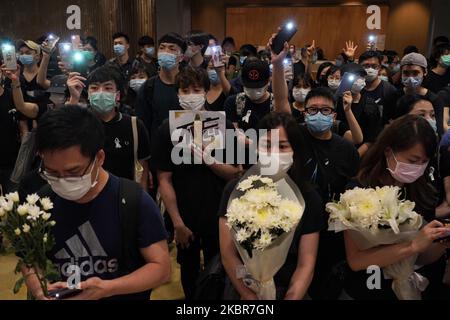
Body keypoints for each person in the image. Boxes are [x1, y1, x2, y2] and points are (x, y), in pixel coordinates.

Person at [22, 106, 170, 300]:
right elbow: (29, 258)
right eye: (52, 173)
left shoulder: (133, 200)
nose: (63, 180)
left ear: (99, 158)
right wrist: (36, 283)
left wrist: (108, 288)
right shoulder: (40, 203)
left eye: (74, 172)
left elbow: (161, 268)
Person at [153, 66, 242, 300]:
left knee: (220, 269)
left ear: (205, 91)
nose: (191, 94)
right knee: (189, 272)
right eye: (185, 90)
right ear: (178, 94)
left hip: (219, 214)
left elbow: (235, 174)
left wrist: (209, 159)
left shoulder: (223, 124)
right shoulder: (167, 127)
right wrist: (177, 223)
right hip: (185, 215)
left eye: (196, 89)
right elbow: (164, 179)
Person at [342, 115, 450, 300]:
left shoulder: (420, 191)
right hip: (370, 284)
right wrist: (413, 246)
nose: (418, 168)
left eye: (424, 162)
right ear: (388, 151)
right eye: (413, 160)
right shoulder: (358, 194)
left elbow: (420, 256)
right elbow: (356, 261)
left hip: (410, 284)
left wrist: (441, 242)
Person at [219, 112, 325, 300]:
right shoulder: (235, 190)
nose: (273, 152)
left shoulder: (309, 197)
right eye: (267, 145)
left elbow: (306, 264)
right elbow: (228, 254)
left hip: (289, 288)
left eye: (282, 146)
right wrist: (249, 296)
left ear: (295, 150)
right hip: (243, 288)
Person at [66, 65, 151, 190]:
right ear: (88, 95)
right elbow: (62, 138)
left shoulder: (134, 125)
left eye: (107, 88)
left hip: (123, 194)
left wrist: (141, 201)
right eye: (94, 88)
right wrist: (74, 98)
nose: (100, 92)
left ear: (117, 96)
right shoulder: (80, 123)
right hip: (85, 193)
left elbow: (142, 169)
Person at [136, 32, 186, 151]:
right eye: (162, 48)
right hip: (157, 154)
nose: (166, 52)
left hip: (186, 152)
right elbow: (142, 128)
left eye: (172, 48)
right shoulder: (148, 87)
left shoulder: (189, 86)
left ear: (181, 57)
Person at [336, 63, 383, 156]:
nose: (358, 80)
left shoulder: (370, 105)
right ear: (343, 80)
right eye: (354, 77)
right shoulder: (336, 101)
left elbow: (371, 140)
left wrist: (355, 157)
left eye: (361, 77)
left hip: (360, 153)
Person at [393, 52, 445, 135]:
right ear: (401, 73)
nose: (410, 77)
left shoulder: (435, 99)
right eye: (406, 73)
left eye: (415, 73)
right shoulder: (394, 95)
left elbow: (439, 130)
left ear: (425, 72)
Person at [224, 57, 272, 131]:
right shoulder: (234, 102)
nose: (254, 91)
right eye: (249, 87)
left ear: (268, 81)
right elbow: (231, 137)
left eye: (258, 87)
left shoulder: (276, 105)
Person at [358, 50, 398, 125]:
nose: (370, 69)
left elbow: (392, 119)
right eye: (366, 66)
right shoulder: (355, 88)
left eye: (374, 66)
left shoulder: (389, 90)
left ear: (379, 67)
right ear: (359, 67)